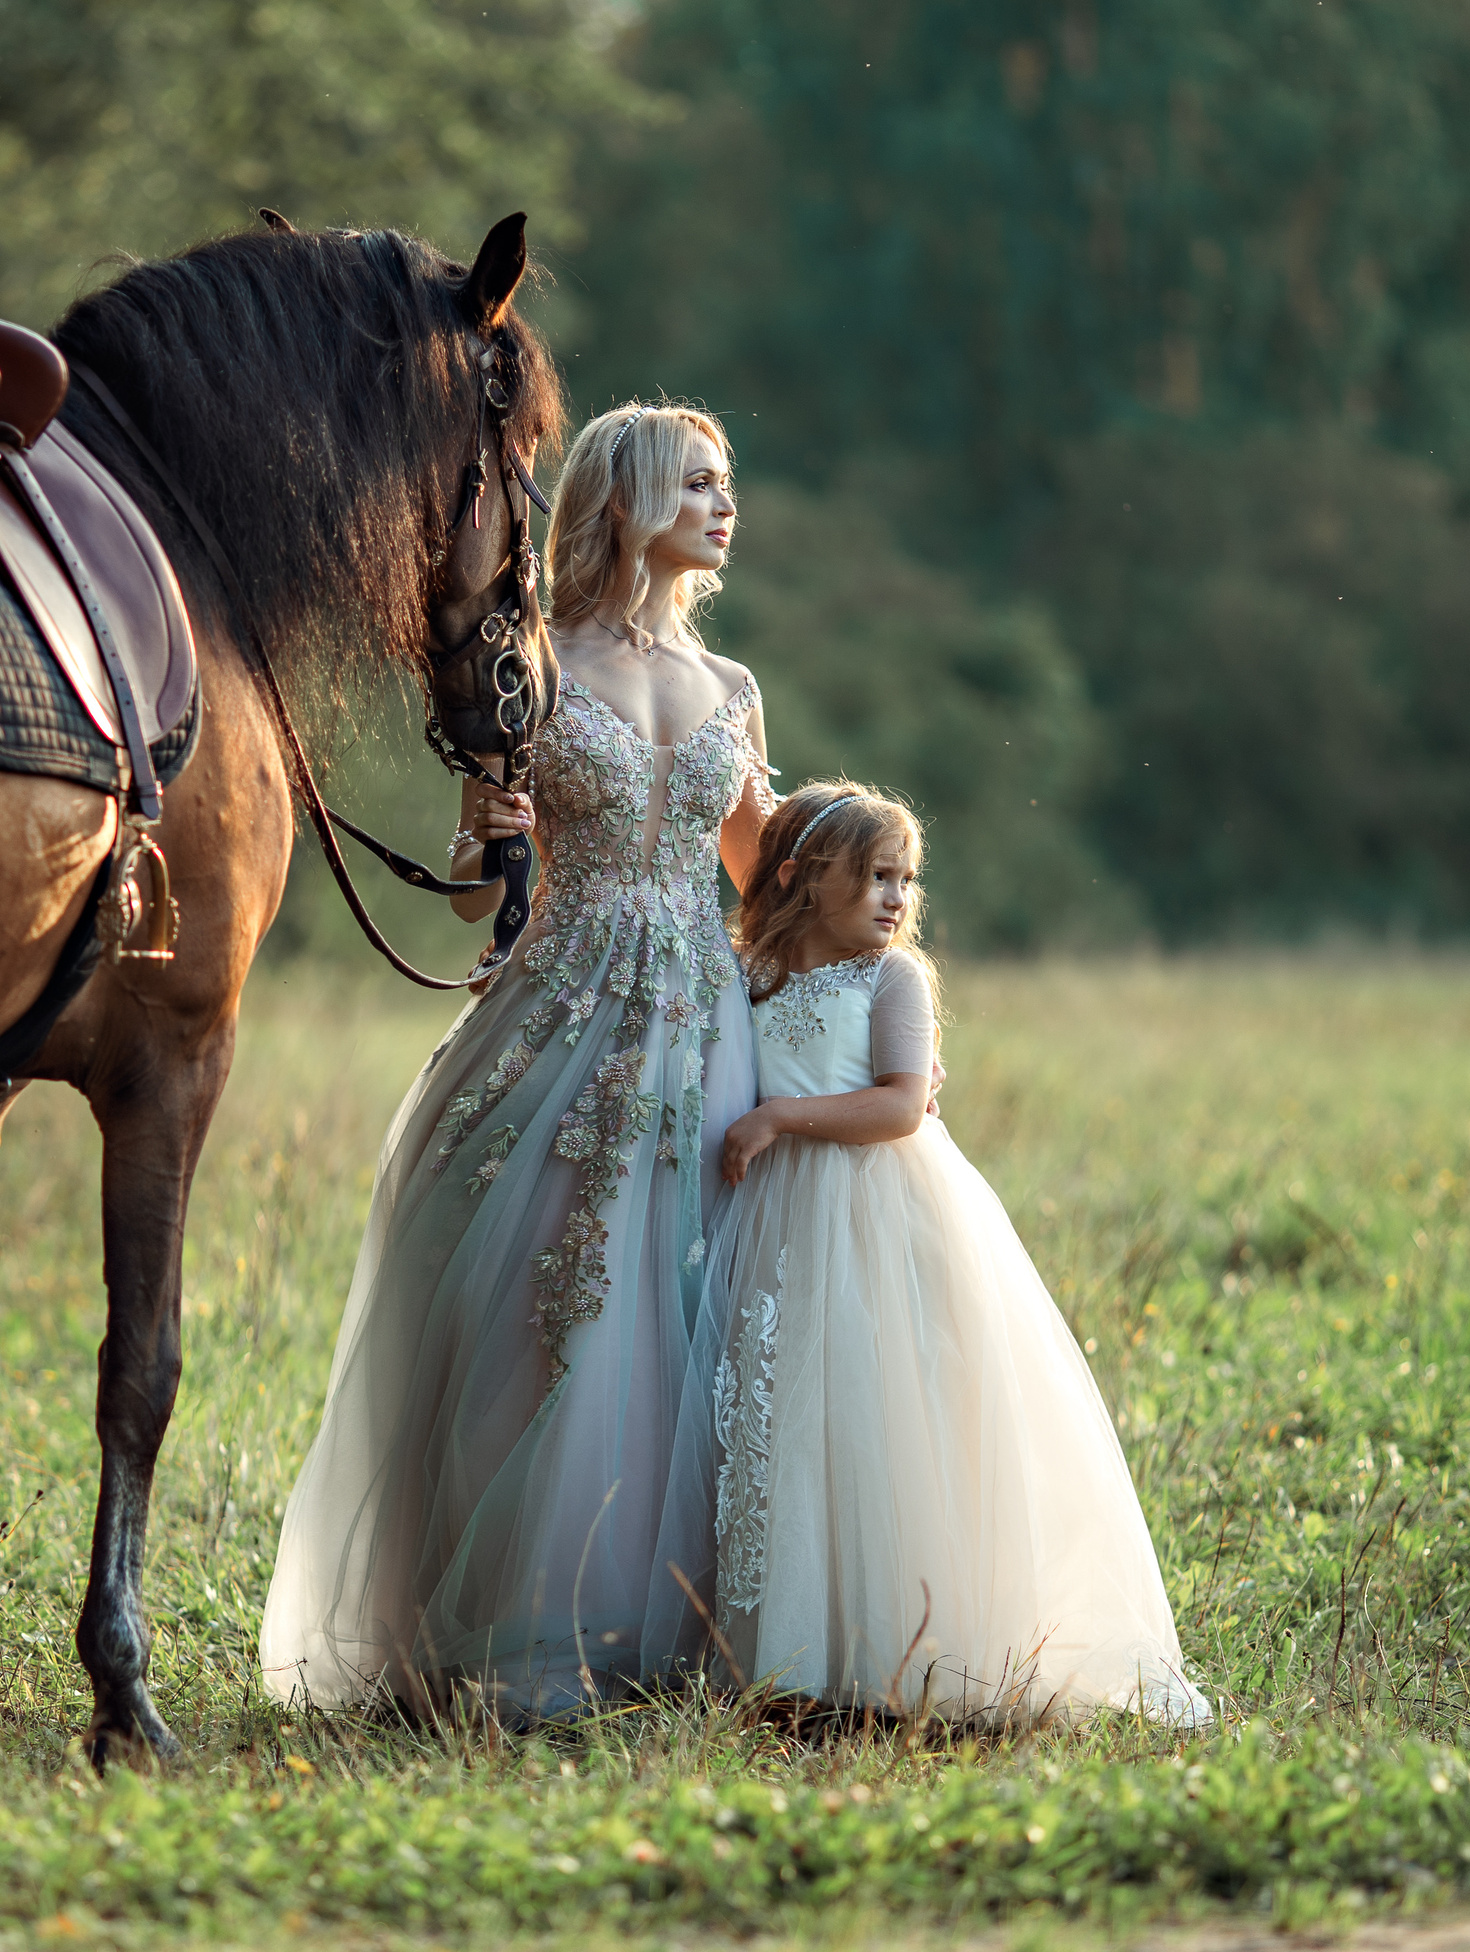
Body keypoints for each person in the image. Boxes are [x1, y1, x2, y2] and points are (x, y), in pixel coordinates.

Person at [260, 403, 774, 1720]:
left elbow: (759, 872)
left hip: (702, 1021)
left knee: (693, 1297)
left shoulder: (733, 690)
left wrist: (853, 934)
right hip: (560, 1002)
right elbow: (470, 886)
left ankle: (688, 1616)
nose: (724, 506)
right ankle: (524, 1624)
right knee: (550, 1296)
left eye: (725, 483)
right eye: (698, 484)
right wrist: (483, 832)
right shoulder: (530, 669)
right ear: (628, 500)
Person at [701, 781, 1211, 1725]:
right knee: (791, 1413)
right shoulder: (749, 972)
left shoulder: (892, 978)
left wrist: (778, 1117)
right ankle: (798, 1652)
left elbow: (902, 1105)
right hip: (778, 1219)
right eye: (875, 877)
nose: (897, 898)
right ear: (805, 877)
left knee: (884, 1405)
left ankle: (910, 1648)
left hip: (877, 1210)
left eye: (906, 879)